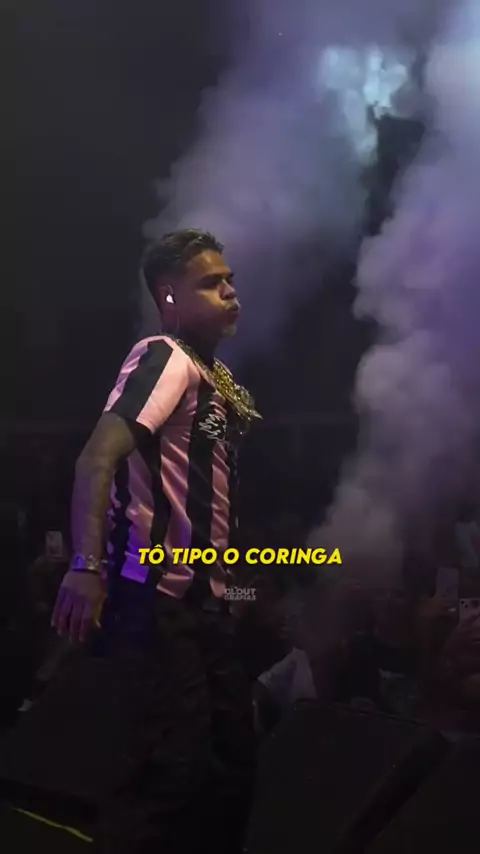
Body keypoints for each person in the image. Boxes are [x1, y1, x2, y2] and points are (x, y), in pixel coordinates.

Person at [51, 229, 261, 854]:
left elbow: (211, 507)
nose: (230, 292)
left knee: (229, 771)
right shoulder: (164, 355)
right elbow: (97, 459)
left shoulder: (214, 374)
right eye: (211, 283)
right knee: (171, 773)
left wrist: (238, 590)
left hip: (204, 607)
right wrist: (86, 566)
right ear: (169, 296)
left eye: (229, 280)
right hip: (158, 602)